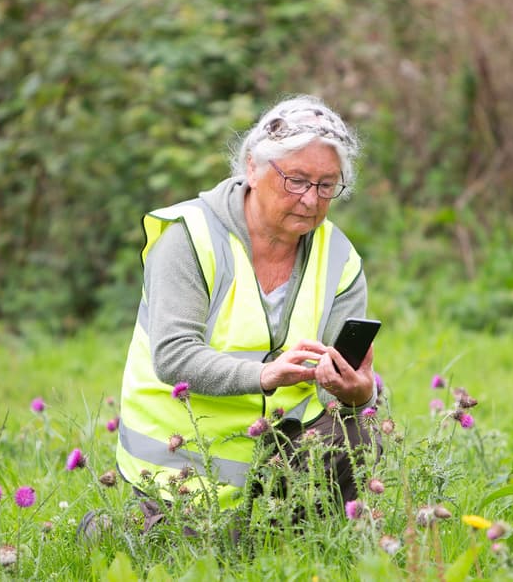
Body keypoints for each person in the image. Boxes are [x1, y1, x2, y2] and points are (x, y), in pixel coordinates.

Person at [113, 94, 380, 522]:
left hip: (280, 453)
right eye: (295, 180)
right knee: (212, 554)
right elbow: (173, 356)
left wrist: (358, 391)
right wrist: (264, 375)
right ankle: (117, 526)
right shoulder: (189, 238)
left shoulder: (339, 256)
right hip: (181, 459)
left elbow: (338, 385)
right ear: (252, 167)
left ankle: (301, 531)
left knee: (361, 430)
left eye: (327, 185)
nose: (311, 199)